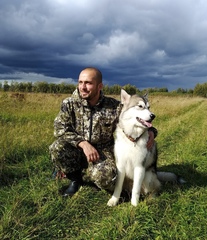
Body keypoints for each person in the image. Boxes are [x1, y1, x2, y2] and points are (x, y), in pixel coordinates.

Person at [49, 67, 157, 197]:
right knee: (57, 148)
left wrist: (151, 131)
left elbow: (132, 118)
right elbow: (60, 128)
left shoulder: (113, 106)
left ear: (100, 86)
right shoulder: (69, 103)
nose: (83, 87)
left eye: (88, 83)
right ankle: (75, 180)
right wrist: (83, 143)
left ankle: (96, 177)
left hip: (103, 151)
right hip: (77, 148)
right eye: (80, 82)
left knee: (106, 177)